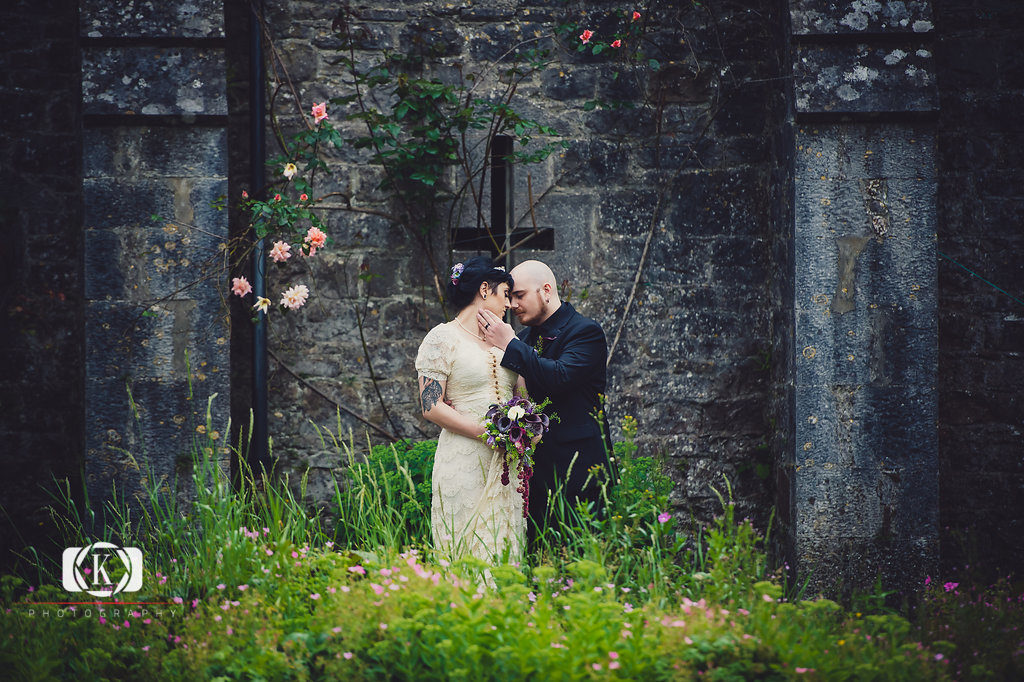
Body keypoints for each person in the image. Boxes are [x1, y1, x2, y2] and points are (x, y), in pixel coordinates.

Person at [477, 259, 610, 542]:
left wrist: (510, 344)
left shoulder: (586, 332)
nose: (512, 304)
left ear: (546, 291)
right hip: (533, 474)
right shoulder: (523, 338)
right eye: (510, 297)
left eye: (520, 295)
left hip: (580, 470)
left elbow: (559, 377)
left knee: (581, 555)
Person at [415, 256, 528, 563]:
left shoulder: (507, 338)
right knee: (465, 545)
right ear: (484, 290)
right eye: (505, 294)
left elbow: (522, 396)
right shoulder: (442, 338)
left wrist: (525, 427)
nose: (509, 304)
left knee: (504, 545)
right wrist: (487, 432)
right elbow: (431, 406)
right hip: (463, 457)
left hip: (507, 462)